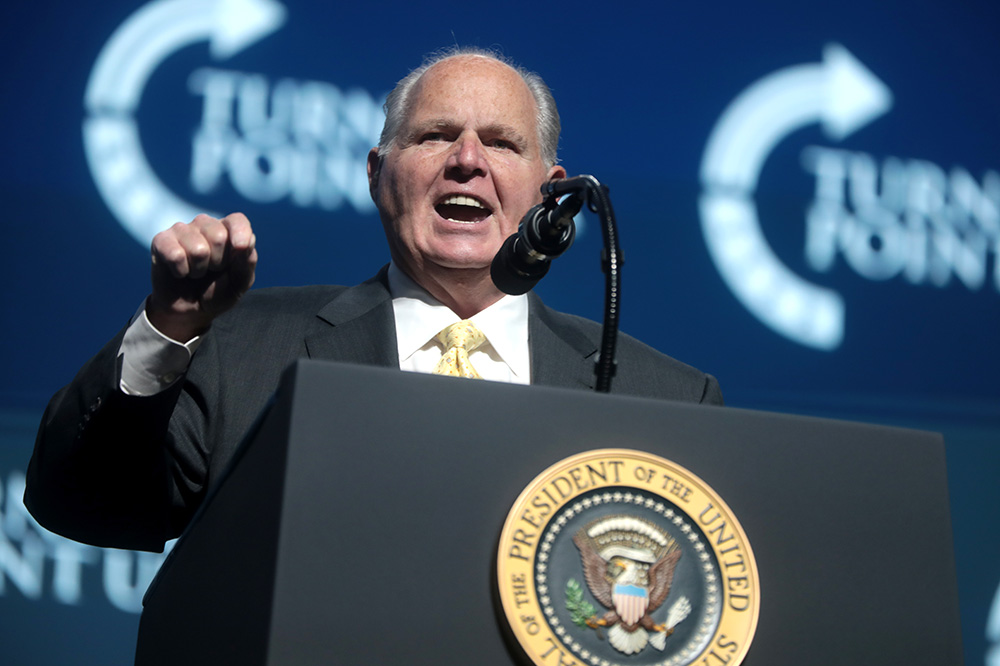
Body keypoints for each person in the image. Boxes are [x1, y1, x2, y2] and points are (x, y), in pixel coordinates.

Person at [25, 47, 722, 552]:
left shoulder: (666, 399)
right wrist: (171, 326)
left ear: (551, 190)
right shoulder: (238, 347)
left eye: (502, 143)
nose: (468, 160)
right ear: (376, 174)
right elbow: (86, 504)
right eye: (435, 135)